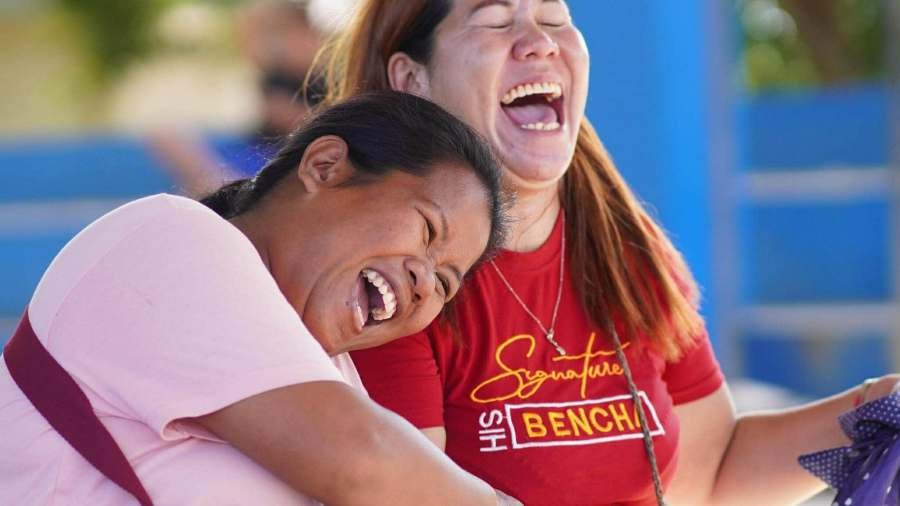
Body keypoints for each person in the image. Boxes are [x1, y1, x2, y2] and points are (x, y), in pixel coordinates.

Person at [317, 2, 900, 505]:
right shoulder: (395, 276)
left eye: (555, 18)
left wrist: (878, 408)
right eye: (496, 22)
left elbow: (710, 475)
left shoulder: (624, 250)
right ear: (411, 79)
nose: (541, 41)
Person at [0, 91, 519, 505]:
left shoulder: (331, 376)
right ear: (324, 166)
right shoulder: (174, 238)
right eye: (427, 228)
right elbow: (363, 464)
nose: (426, 282)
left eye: (446, 283)